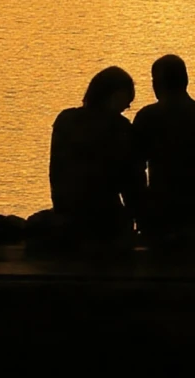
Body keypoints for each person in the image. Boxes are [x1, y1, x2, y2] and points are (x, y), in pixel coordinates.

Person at [29, 65, 139, 247]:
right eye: (127, 98)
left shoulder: (64, 120)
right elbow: (131, 184)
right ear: (115, 95)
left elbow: (55, 172)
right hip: (105, 220)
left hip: (68, 215)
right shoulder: (121, 128)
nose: (128, 106)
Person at [132, 54, 195, 245]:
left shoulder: (147, 118)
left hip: (162, 220)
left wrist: (142, 217)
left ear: (157, 84)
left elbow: (134, 173)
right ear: (186, 80)